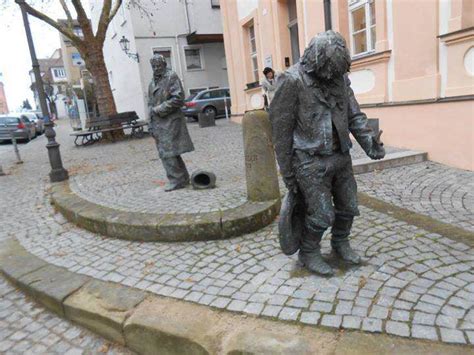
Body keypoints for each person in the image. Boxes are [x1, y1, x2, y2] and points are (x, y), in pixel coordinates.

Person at [269, 31, 385, 276]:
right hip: (309, 160)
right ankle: (309, 252)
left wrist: (369, 143)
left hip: (340, 155)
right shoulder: (291, 81)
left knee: (349, 205)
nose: (333, 78)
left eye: (337, 73)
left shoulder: (340, 79)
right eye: (329, 72)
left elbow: (354, 114)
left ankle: (340, 243)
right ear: (316, 63)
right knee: (322, 214)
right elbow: (280, 132)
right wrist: (288, 173)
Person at [148, 54, 195, 192]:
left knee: (167, 151)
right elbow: (150, 103)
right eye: (154, 66)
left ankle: (176, 180)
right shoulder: (152, 82)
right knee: (170, 151)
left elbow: (179, 98)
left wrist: (159, 109)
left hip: (170, 121)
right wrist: (150, 121)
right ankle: (182, 178)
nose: (156, 68)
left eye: (159, 66)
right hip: (158, 122)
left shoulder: (171, 77)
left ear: (164, 65)